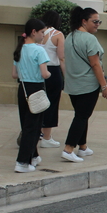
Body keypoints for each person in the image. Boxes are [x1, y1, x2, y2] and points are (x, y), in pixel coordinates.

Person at [62, 6, 107, 162]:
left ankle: (82, 147)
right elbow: (95, 65)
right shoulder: (90, 39)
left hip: (72, 84)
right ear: (84, 21)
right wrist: (105, 86)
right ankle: (68, 149)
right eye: (95, 21)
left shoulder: (69, 36)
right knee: (82, 117)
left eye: (99, 21)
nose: (97, 24)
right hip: (87, 85)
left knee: (81, 115)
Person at [12, 19, 50, 173]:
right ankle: (21, 162)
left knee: (27, 124)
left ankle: (33, 156)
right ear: (34, 32)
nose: (43, 36)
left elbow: (14, 75)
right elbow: (44, 73)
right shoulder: (39, 50)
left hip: (23, 88)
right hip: (36, 89)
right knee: (33, 127)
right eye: (42, 32)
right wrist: (50, 73)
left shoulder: (19, 49)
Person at [39, 10, 65, 147]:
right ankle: (47, 137)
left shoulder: (37, 33)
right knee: (51, 103)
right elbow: (61, 57)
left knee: (37, 102)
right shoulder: (58, 35)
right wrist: (66, 75)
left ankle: (37, 131)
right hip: (53, 70)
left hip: (37, 71)